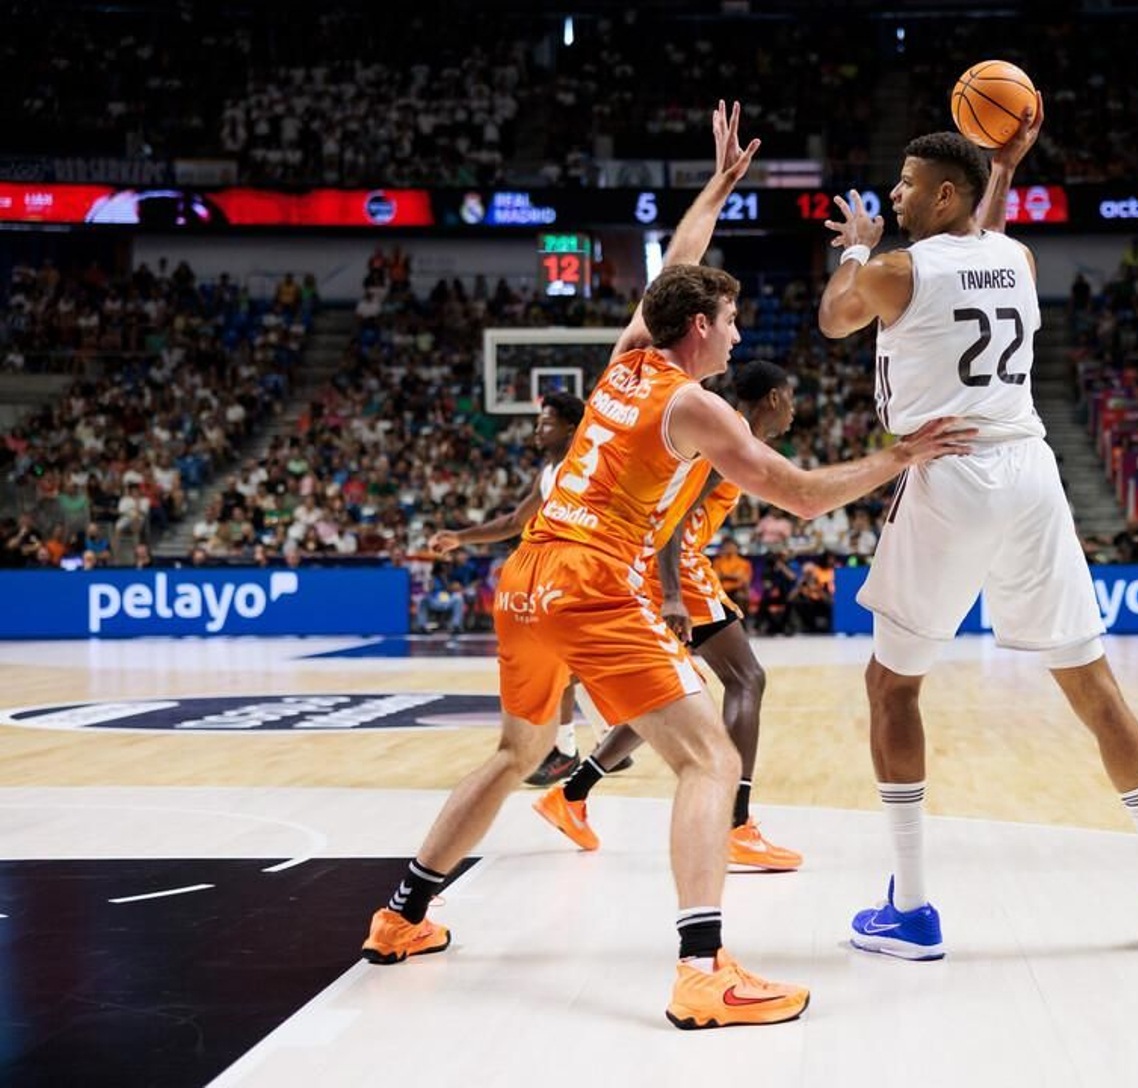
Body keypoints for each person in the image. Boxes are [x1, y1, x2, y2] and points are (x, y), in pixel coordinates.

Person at [359, 101, 974, 1031]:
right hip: (590, 585)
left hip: (523, 581)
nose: (736, 335)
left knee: (515, 753)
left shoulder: (626, 362)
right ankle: (702, 971)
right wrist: (899, 455)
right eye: (728, 323)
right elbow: (802, 496)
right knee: (709, 756)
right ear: (699, 334)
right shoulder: (695, 405)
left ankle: (400, 917)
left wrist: (718, 188)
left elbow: (670, 281)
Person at [817, 103, 1138, 961]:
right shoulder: (1020, 259)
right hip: (1032, 474)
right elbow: (979, 246)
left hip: (949, 469)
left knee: (893, 687)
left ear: (944, 193)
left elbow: (835, 317)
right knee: (1095, 687)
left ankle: (913, 909)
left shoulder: (893, 270)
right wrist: (1007, 168)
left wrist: (855, 243)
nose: (893, 194)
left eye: (907, 186)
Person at [535, 360, 804, 871]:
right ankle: (735, 824)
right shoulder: (728, 436)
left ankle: (569, 795)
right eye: (789, 397)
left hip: (659, 564)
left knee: (670, 689)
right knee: (747, 679)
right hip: (671, 563)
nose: (793, 409)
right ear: (772, 398)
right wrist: (676, 595)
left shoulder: (735, 434)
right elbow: (673, 515)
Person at [428, 391, 612, 786]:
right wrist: (461, 538)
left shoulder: (583, 467)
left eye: (545, 423)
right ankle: (607, 740)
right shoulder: (550, 471)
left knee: (563, 662)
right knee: (575, 665)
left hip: (590, 571)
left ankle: (564, 752)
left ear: (570, 428)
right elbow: (514, 519)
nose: (536, 431)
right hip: (563, 573)